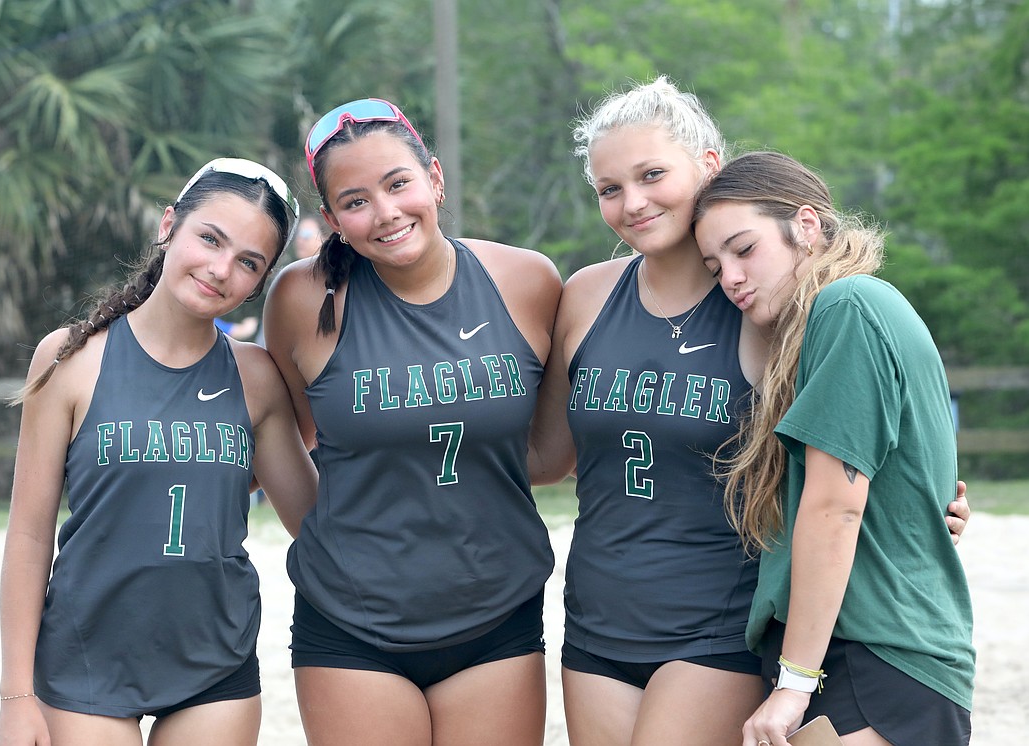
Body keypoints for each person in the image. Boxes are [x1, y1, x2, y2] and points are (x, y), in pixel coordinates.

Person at [526, 76, 971, 746]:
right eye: (609, 188)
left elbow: (852, 457)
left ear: (709, 166)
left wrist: (918, 504)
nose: (632, 202)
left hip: (723, 624)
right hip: (597, 619)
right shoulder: (586, 296)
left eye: (651, 174)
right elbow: (553, 455)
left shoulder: (779, 306)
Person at [263, 98, 561, 744]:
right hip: (349, 625)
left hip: (496, 616)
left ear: (435, 177)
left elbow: (549, 450)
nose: (386, 212)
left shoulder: (527, 280)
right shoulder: (301, 298)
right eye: (356, 201)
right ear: (331, 219)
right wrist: (341, 543)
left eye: (398, 184)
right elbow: (302, 438)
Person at [0, 158, 319, 746]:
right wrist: (16, 697)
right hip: (85, 660)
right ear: (169, 225)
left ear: (261, 282)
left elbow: (317, 526)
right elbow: (29, 536)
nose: (221, 269)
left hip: (214, 665)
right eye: (210, 238)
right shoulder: (70, 359)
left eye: (249, 262)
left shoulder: (257, 378)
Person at [692, 151, 975, 746]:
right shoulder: (842, 316)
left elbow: (834, 507)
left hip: (873, 654)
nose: (731, 278)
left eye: (745, 250)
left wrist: (794, 683)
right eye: (715, 267)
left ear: (806, 225)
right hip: (860, 647)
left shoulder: (848, 307)